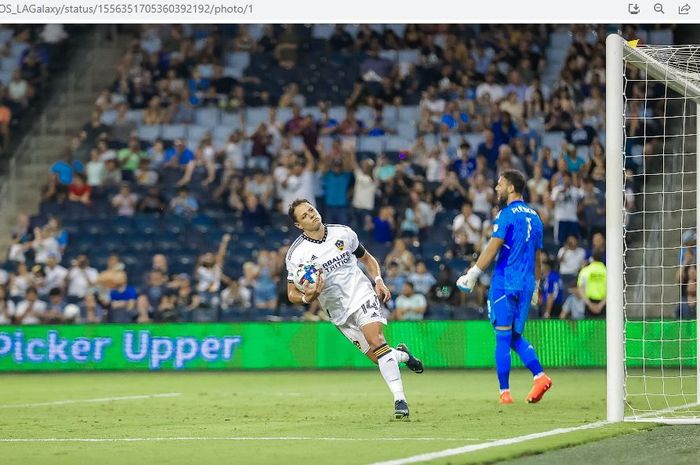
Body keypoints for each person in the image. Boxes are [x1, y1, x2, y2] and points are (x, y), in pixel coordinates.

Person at [285, 198, 424, 419]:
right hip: (337, 312)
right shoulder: (296, 255)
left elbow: (367, 259)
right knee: (379, 356)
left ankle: (400, 400)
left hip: (361, 294)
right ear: (298, 225)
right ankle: (404, 356)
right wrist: (306, 297)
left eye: (311, 210)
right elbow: (291, 293)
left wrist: (378, 280)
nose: (311, 215)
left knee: (376, 340)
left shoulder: (343, 233)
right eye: (304, 215)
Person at [456, 169, 552, 404]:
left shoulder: (506, 215)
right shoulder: (535, 216)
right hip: (526, 283)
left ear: (510, 188)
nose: (496, 188)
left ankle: (505, 393)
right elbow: (538, 256)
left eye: (500, 184)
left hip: (505, 282)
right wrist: (537, 286)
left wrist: (474, 273)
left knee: (502, 336)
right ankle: (539, 376)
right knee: (514, 336)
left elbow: (494, 245)